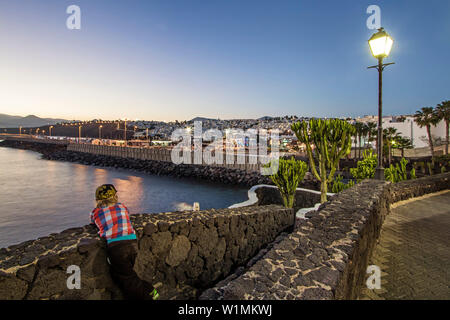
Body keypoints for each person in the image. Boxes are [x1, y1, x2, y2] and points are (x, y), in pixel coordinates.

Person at [90, 184, 159, 300]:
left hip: (117, 247)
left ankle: (151, 293)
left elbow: (93, 221)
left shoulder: (96, 212)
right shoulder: (122, 207)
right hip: (132, 243)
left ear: (98, 200)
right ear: (115, 196)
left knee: (127, 279)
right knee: (126, 275)